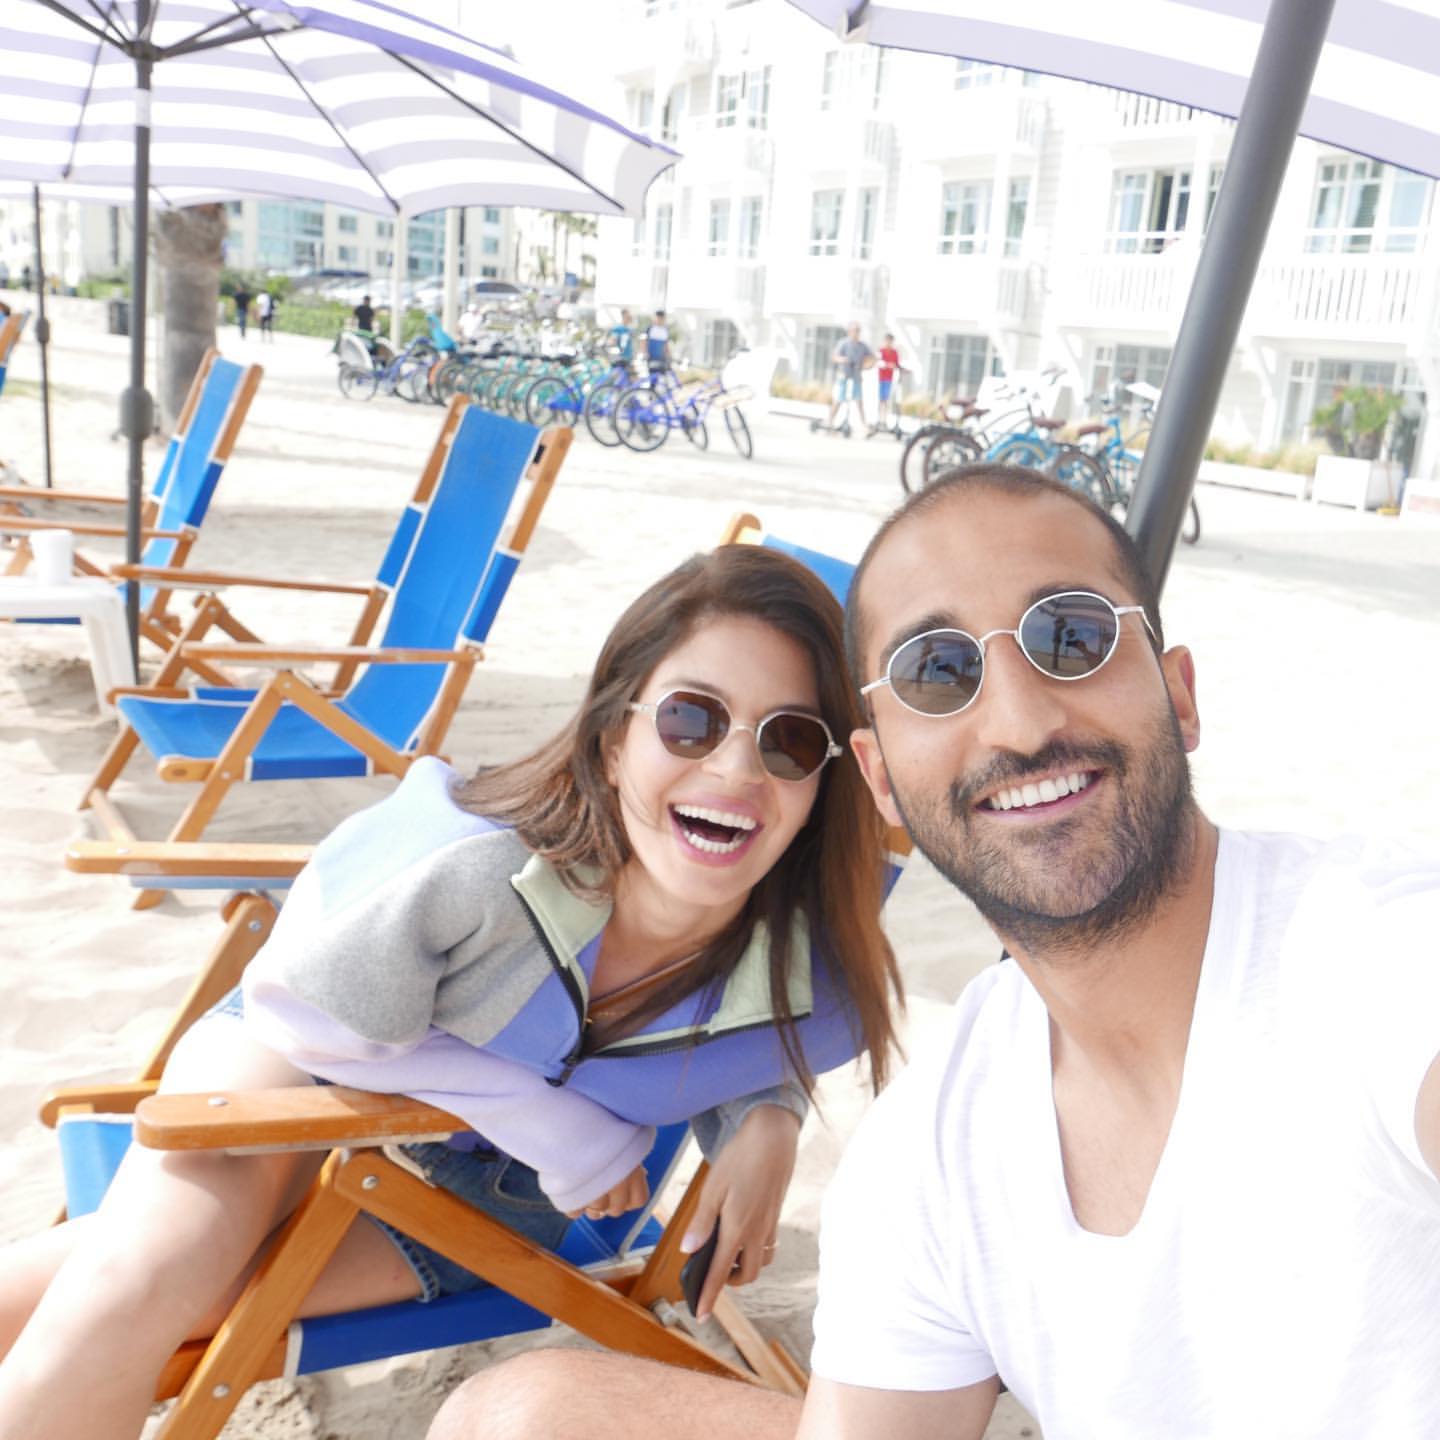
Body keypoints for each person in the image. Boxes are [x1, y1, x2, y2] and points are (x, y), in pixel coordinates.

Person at [425, 464, 1440, 1440]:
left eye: (1074, 638)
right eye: (938, 673)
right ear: (880, 780)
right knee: (511, 1419)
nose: (1021, 723)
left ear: (1179, 695)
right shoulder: (933, 1145)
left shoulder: (1375, 958)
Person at [0, 545, 903, 1440]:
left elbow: (736, 1026)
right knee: (135, 1288)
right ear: (612, 741)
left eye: (790, 740)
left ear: (824, 784)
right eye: (691, 720)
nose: (738, 770)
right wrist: (551, 1123)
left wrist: (766, 1115)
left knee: (182, 1296)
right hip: (305, 1061)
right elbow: (306, 1013)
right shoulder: (467, 864)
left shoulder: (817, 989)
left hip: (478, 1198)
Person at [824, 323, 874, 434]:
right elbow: (834, 357)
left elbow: (872, 358)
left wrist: (867, 365)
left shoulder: (862, 346)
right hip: (844, 375)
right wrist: (844, 360)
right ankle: (829, 421)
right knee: (839, 399)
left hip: (856, 376)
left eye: (858, 331)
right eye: (855, 330)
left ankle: (864, 425)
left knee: (859, 401)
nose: (856, 333)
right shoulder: (843, 343)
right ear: (850, 332)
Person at [869, 332, 907, 434]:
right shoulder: (881, 351)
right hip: (880, 378)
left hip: (889, 379)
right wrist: (887, 365)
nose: (889, 343)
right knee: (880, 400)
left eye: (890, 341)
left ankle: (884, 420)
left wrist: (901, 369)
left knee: (886, 400)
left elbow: (897, 364)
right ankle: (878, 419)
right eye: (887, 341)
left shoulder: (894, 352)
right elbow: (877, 362)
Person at [644, 309, 671, 373]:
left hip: (662, 358)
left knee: (662, 376)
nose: (660, 320)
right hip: (651, 357)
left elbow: (666, 345)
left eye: (662, 318)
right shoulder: (650, 328)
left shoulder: (665, 330)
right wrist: (645, 353)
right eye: (659, 318)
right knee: (653, 375)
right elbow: (644, 341)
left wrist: (669, 356)